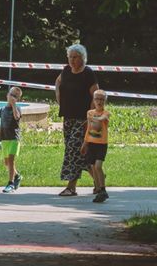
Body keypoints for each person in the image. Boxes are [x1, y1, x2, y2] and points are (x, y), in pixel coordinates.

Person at [55, 43, 100, 196]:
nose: (72, 60)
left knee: (73, 149)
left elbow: (95, 95)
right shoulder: (66, 71)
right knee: (81, 153)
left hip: (83, 119)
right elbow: (58, 83)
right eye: (70, 57)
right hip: (68, 117)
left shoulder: (88, 73)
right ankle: (98, 179)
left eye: (75, 57)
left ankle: (71, 186)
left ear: (82, 58)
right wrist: (60, 101)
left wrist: (91, 116)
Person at [0, 85, 23, 193]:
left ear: (17, 99)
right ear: (7, 95)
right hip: (5, 139)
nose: (12, 97)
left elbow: (16, 117)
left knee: (11, 160)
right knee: (7, 163)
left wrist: (14, 105)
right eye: (11, 95)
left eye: (15, 96)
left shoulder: (17, 108)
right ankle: (17, 175)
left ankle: (10, 183)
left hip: (14, 138)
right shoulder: (3, 110)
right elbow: (1, 126)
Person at [81, 89, 111, 202]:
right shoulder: (89, 112)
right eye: (97, 99)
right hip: (91, 143)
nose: (99, 101)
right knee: (93, 167)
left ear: (105, 101)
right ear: (93, 100)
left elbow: (103, 119)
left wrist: (93, 118)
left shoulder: (106, 113)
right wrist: (85, 143)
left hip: (101, 144)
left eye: (102, 100)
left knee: (98, 166)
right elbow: (89, 129)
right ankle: (98, 190)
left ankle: (103, 189)